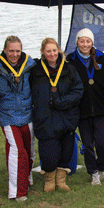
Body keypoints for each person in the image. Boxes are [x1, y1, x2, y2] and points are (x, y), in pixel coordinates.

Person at [31, 38, 83, 193]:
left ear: (59, 50)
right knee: (49, 153)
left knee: (66, 151)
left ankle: (60, 181)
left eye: (54, 50)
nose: (52, 54)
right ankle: (49, 180)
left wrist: (61, 102)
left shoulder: (70, 69)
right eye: (48, 51)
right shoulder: (35, 70)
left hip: (66, 116)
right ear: (42, 52)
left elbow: (78, 91)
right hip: (45, 118)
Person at [67, 28, 104, 186]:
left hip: (101, 108)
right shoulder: (70, 60)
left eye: (88, 41)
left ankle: (100, 166)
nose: (85, 44)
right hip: (82, 109)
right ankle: (93, 173)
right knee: (88, 145)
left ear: (92, 42)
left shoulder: (101, 57)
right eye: (82, 41)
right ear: (77, 42)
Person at [0, 36, 36, 201]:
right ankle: (18, 191)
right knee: (18, 152)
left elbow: (52, 62)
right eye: (11, 50)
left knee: (29, 149)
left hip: (27, 114)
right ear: (5, 50)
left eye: (17, 50)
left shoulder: (30, 65)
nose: (14, 54)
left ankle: (27, 177)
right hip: (8, 116)